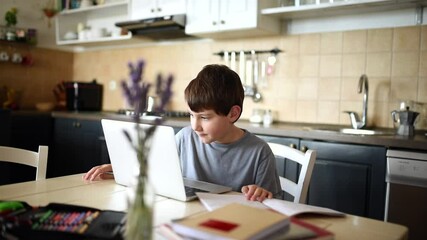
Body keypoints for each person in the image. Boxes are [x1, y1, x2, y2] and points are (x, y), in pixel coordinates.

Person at [83, 64, 282, 202]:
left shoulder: (259, 152)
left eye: (204, 117)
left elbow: (273, 205)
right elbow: (152, 170)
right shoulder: (185, 138)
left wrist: (262, 194)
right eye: (191, 115)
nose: (195, 126)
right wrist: (121, 169)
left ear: (233, 113)